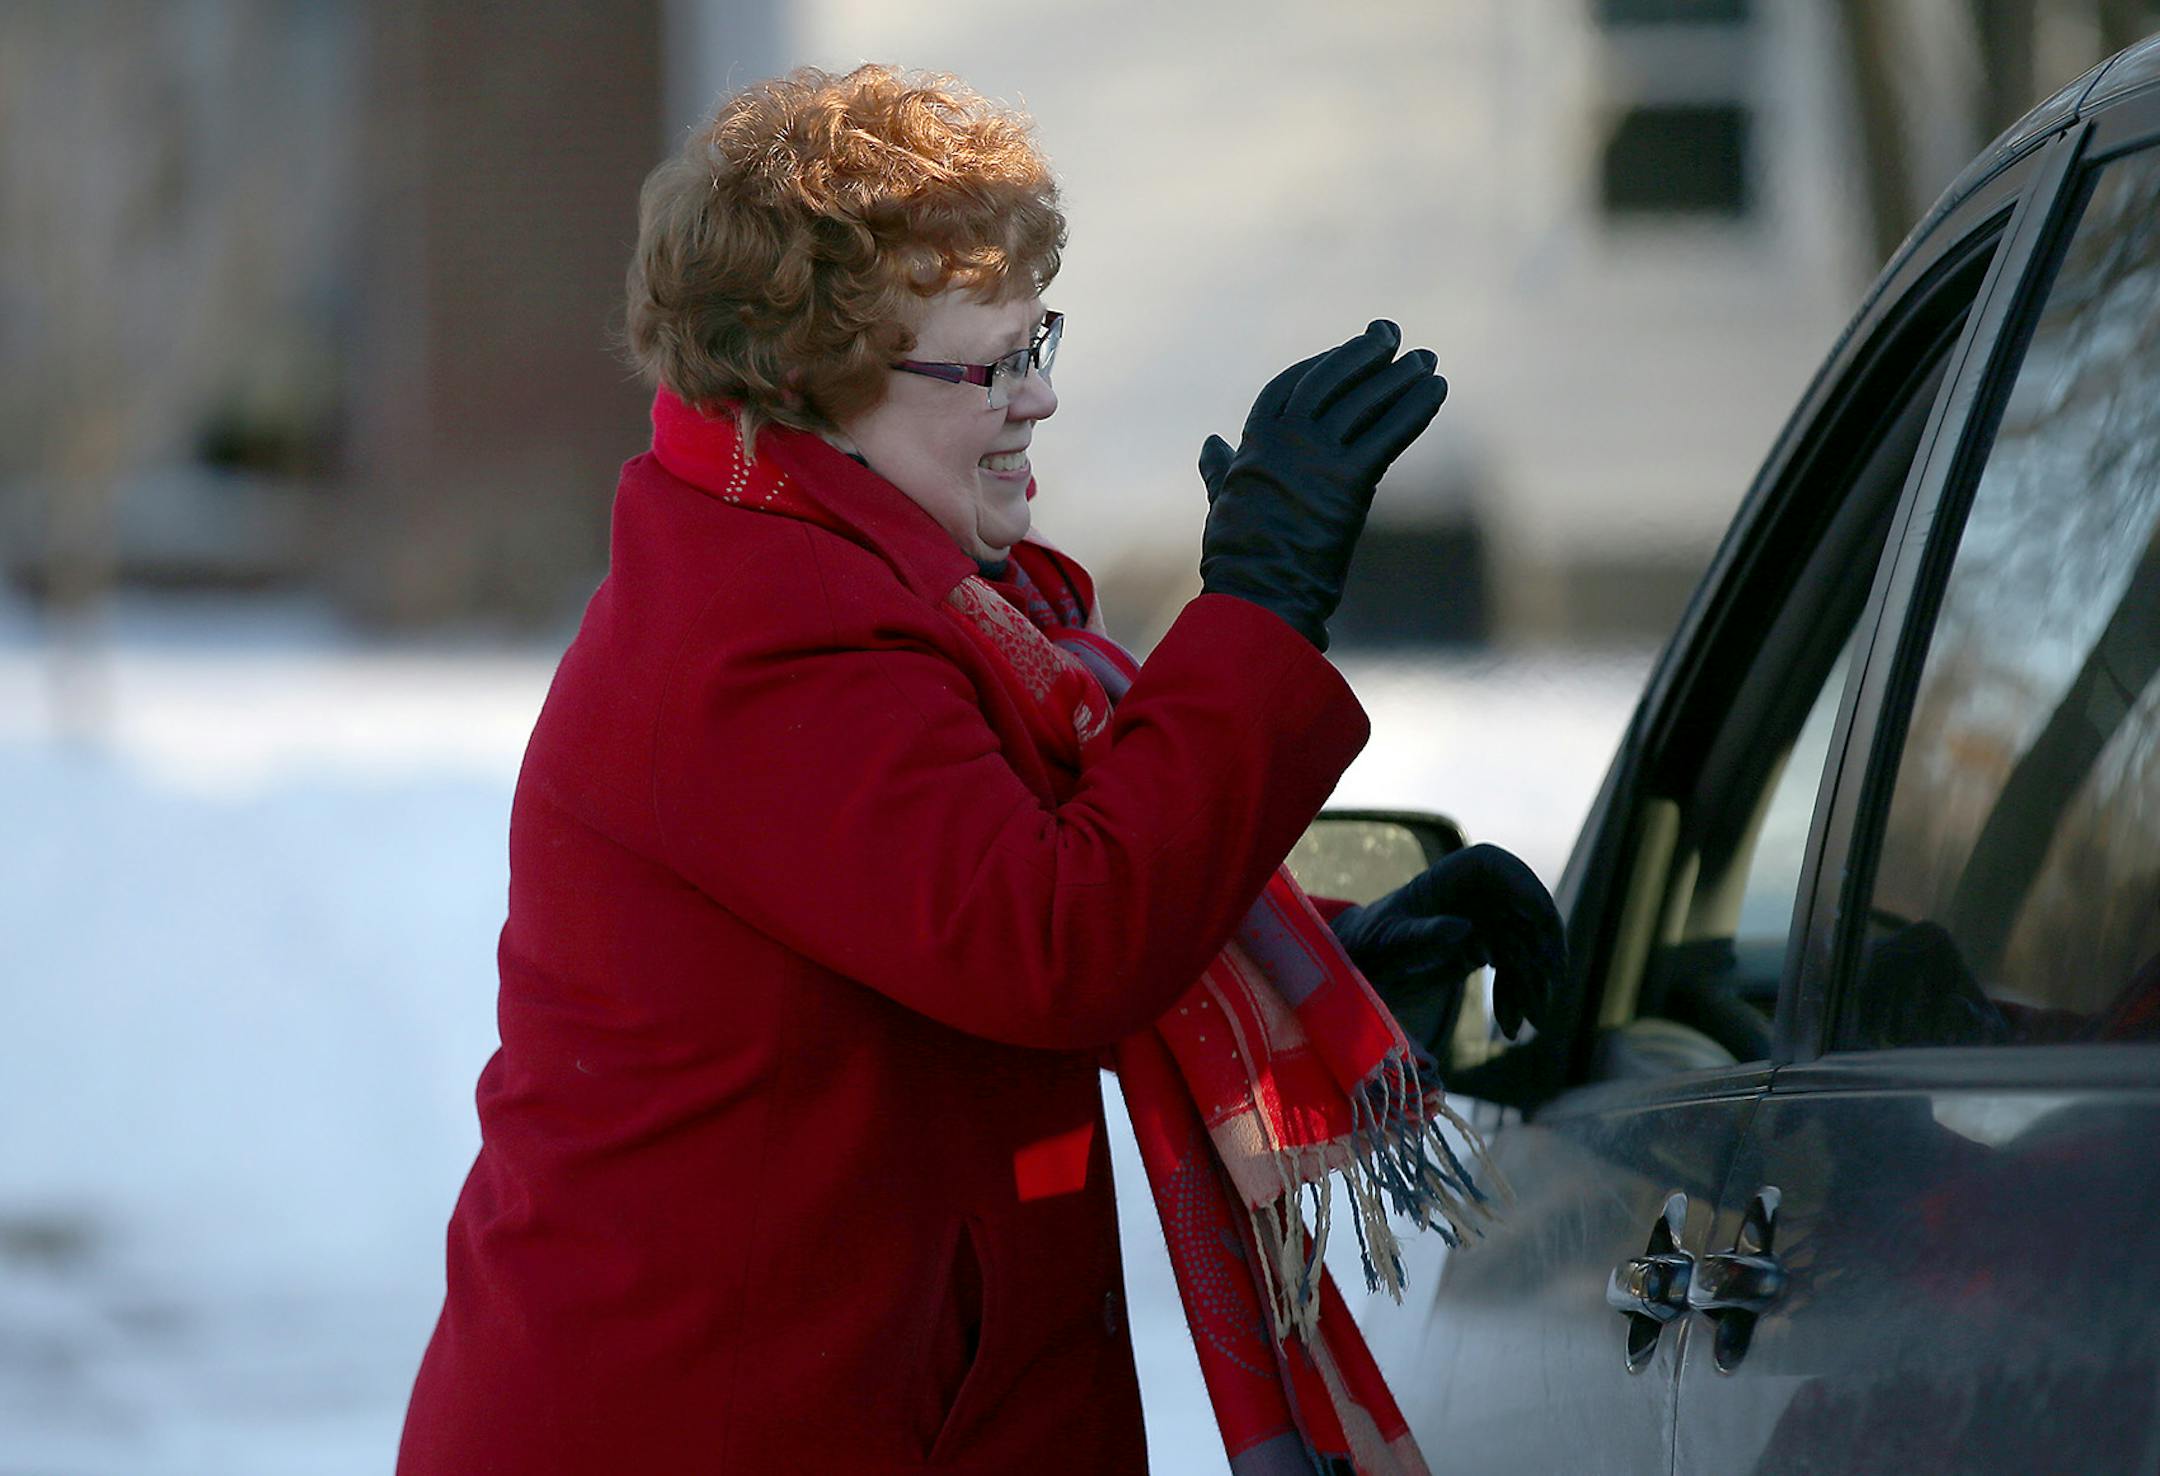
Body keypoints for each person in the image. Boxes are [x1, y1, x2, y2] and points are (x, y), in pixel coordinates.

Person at [396, 64, 1561, 1476]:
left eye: (1039, 338)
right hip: (706, 1420)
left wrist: (1345, 953)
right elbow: (1054, 941)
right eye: (992, 365)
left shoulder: (917, 608)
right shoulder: (753, 635)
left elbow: (979, 914)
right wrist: (1258, 610)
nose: (1043, 397)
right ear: (807, 381)